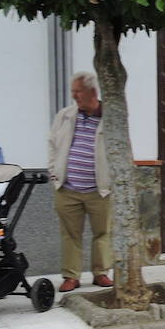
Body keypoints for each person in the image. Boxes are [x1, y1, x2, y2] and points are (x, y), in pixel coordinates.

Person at [48, 71, 113, 292]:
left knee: (102, 233)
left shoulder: (110, 116)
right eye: (73, 91)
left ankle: (101, 273)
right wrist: (53, 172)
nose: (74, 96)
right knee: (69, 234)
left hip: (100, 190)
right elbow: (52, 144)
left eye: (78, 91)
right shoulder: (65, 115)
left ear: (92, 92)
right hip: (67, 188)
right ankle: (71, 276)